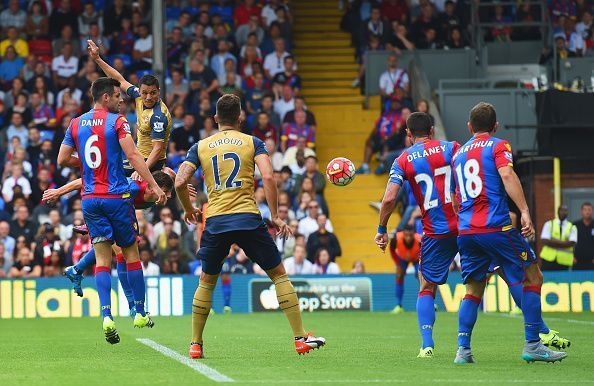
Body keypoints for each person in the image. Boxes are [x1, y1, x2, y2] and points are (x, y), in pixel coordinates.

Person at [174, 94, 325, 359]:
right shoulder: (253, 142)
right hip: (247, 218)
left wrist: (189, 210)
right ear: (240, 117)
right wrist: (276, 216)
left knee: (206, 282)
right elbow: (268, 175)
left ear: (215, 119)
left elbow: (179, 182)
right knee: (279, 275)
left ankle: (195, 344)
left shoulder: (200, 146)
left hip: (217, 219)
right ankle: (300, 337)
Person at [451, 102, 566, 364]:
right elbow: (507, 174)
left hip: (467, 231)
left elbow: (455, 198)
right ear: (495, 126)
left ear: (470, 127)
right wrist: (524, 211)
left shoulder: (458, 155)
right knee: (533, 277)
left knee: (473, 289)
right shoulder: (497, 145)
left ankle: (463, 350)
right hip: (496, 227)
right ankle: (534, 344)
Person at [57, 77, 167, 344]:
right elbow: (134, 156)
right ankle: (139, 311)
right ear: (106, 98)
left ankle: (106, 316)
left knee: (102, 258)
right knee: (130, 252)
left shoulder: (75, 123)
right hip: (116, 196)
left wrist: (87, 164)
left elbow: (62, 160)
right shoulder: (117, 122)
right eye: (117, 96)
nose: (121, 100)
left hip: (90, 199)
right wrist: (153, 184)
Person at [374, 112, 459, 358]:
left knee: (426, 285)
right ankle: (536, 333)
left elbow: (389, 198)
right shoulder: (452, 148)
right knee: (481, 280)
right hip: (465, 224)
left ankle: (427, 345)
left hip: (435, 231)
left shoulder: (403, 159)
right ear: (432, 131)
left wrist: (381, 229)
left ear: (408, 135)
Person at [43, 170, 178, 305]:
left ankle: (77, 269)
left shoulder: (154, 194)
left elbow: (167, 171)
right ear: (153, 187)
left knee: (107, 247)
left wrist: (181, 185)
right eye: (166, 191)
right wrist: (58, 192)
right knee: (121, 253)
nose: (169, 195)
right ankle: (132, 304)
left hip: (116, 214)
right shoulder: (132, 187)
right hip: (98, 208)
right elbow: (85, 181)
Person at [87, 40, 172, 178]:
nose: (148, 97)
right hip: (138, 156)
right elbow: (119, 80)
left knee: (109, 173)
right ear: (140, 91)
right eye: (145, 93)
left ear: (159, 91)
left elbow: (157, 150)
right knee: (104, 167)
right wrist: (97, 59)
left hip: (151, 162)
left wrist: (141, 170)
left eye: (153, 93)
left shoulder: (158, 116)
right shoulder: (138, 96)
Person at [388, 225, 421, 314]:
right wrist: (397, 263)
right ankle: (398, 305)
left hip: (417, 258)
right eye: (406, 235)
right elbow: (391, 250)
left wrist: (422, 264)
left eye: (410, 235)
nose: (408, 238)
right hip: (402, 257)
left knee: (422, 276)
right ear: (403, 233)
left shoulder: (419, 240)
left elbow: (425, 252)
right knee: (399, 275)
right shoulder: (396, 239)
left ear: (414, 234)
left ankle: (429, 303)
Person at [540, 205, 577, 271]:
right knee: (546, 280)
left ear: (567, 212)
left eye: (565, 210)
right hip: (548, 259)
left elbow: (572, 243)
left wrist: (553, 240)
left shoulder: (572, 227)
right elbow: (545, 240)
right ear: (558, 211)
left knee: (563, 281)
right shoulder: (549, 224)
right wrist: (564, 242)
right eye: (561, 210)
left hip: (564, 260)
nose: (563, 212)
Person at [573, 202, 594, 270]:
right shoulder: (575, 225)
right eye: (585, 210)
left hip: (592, 261)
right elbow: (569, 242)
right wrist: (571, 256)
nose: (587, 212)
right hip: (577, 261)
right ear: (581, 211)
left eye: (589, 210)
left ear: (592, 211)